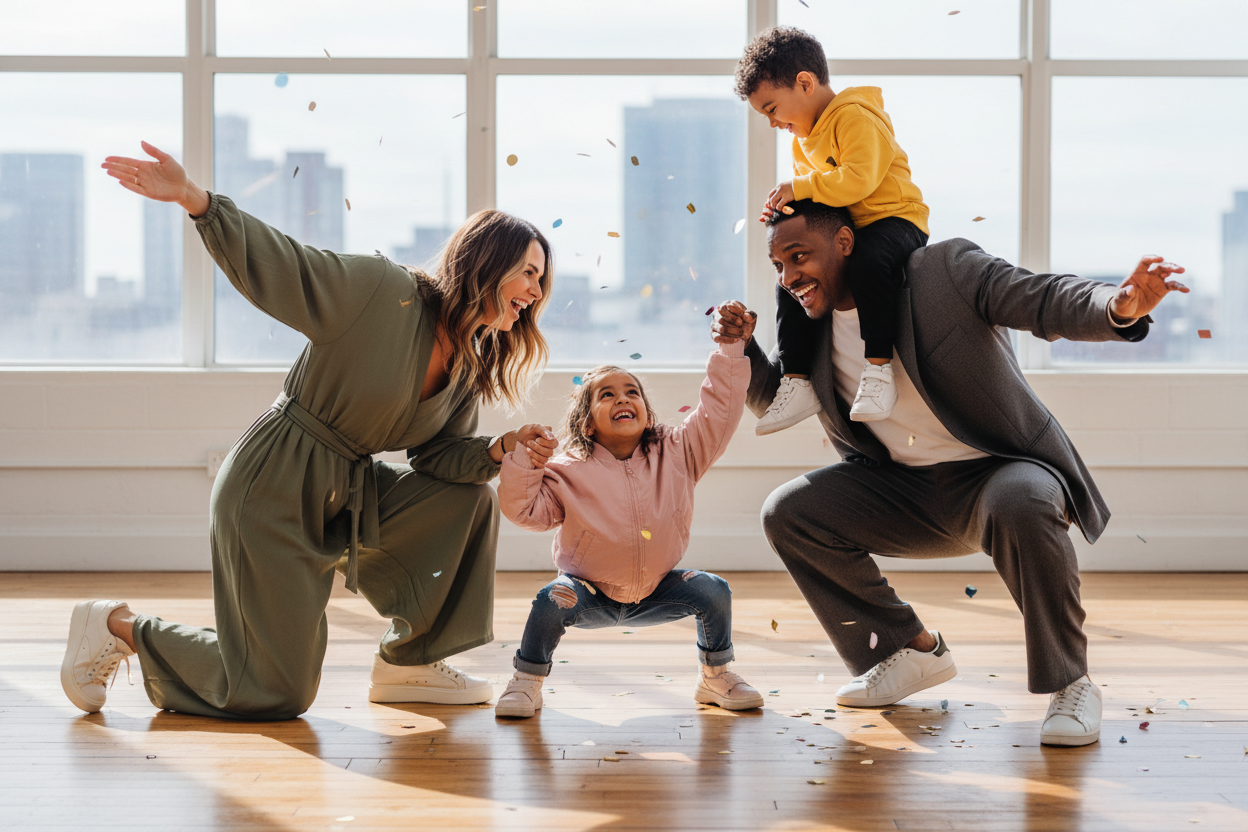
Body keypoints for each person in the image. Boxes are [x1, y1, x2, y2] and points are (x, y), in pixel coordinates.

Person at [60, 141, 561, 720]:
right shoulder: (383, 292)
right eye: (528, 273)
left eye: (541, 280)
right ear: (487, 261)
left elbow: (436, 459)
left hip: (347, 492)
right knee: (275, 693)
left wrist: (499, 448)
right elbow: (286, 265)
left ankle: (411, 664)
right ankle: (117, 626)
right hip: (272, 488)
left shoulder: (470, 363)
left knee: (469, 500)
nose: (535, 293)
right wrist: (196, 201)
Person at [712, 199, 1188, 746]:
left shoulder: (945, 272)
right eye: (778, 266)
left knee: (1023, 500)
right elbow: (780, 398)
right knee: (789, 513)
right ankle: (908, 652)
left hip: (996, 473)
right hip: (901, 491)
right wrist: (740, 349)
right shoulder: (806, 321)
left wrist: (1118, 304)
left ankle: (1073, 684)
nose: (789, 277)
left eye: (799, 257)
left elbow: (1041, 297)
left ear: (845, 242)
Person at [492, 331, 763, 718]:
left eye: (631, 392)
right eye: (606, 394)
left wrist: (731, 350)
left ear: (647, 414)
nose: (622, 398)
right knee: (550, 600)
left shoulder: (680, 452)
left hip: (658, 589)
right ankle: (526, 682)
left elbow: (720, 411)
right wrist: (526, 464)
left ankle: (716, 676)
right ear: (586, 423)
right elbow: (526, 512)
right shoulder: (566, 471)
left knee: (714, 591)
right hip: (587, 593)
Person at [734, 26, 930, 433]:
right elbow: (820, 206)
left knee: (868, 265)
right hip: (851, 230)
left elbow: (858, 180)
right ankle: (797, 379)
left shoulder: (854, 117)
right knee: (790, 281)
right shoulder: (801, 142)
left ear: (804, 83)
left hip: (895, 219)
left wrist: (801, 186)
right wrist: (785, 211)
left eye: (772, 108)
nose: (772, 122)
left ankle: (878, 369)